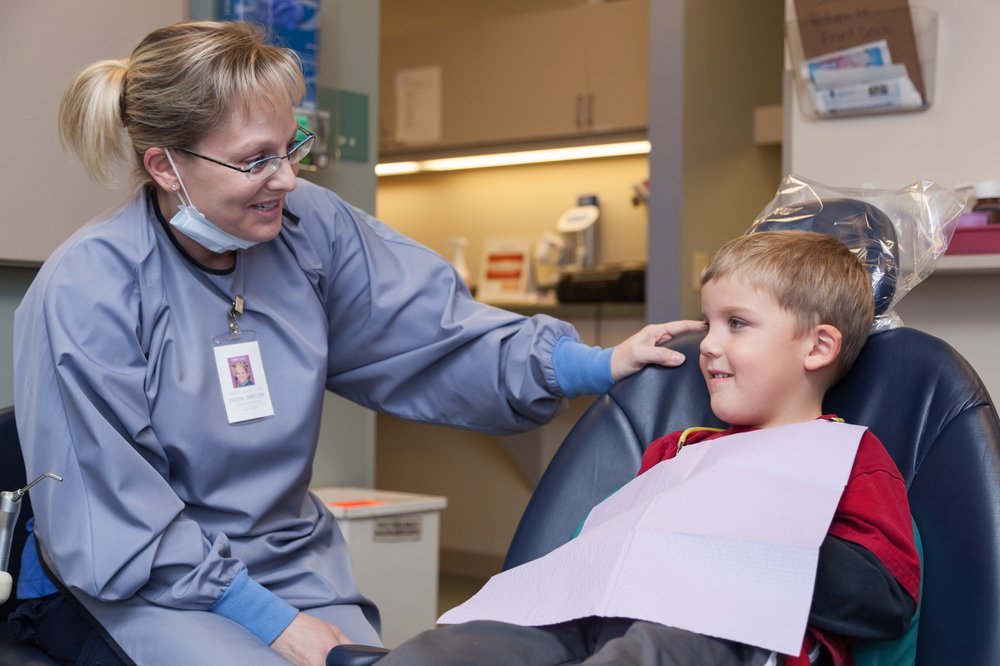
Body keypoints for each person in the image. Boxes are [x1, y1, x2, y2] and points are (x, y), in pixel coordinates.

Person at [9, 20, 702, 666]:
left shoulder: (309, 229)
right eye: (256, 160)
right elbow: (114, 517)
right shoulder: (89, 289)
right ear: (166, 167)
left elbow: (434, 331)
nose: (287, 178)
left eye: (292, 146)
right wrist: (274, 623)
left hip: (287, 560)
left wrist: (594, 363)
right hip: (139, 579)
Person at [378, 230, 920, 666]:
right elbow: (602, 553)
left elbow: (885, 597)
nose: (709, 343)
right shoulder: (676, 452)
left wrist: (752, 537)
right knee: (474, 641)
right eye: (707, 323)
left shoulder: (847, 459)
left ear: (818, 346)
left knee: (664, 646)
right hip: (610, 615)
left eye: (737, 324)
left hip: (736, 631)